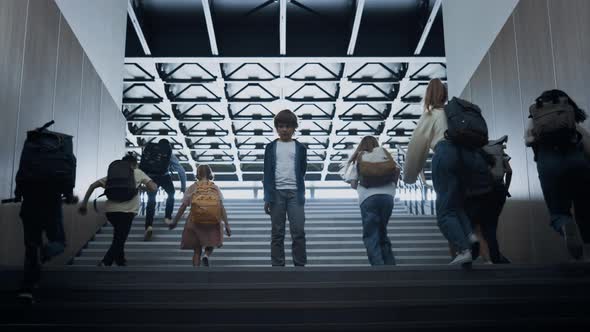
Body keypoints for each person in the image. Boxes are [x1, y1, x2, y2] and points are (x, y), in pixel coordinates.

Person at [403, 78, 480, 265]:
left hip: (444, 155)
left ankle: (463, 249)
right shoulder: (453, 114)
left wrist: (409, 176)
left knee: (444, 212)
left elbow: (416, 147)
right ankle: (470, 236)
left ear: (428, 96)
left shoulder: (431, 114)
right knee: (456, 204)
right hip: (465, 158)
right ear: (445, 95)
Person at [525, 89, 590, 260]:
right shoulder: (571, 120)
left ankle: (566, 225)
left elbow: (528, 140)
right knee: (585, 209)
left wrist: (539, 141)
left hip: (548, 163)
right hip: (576, 161)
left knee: (558, 211)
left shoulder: (535, 117)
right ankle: (588, 255)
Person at [78, 153, 157, 266]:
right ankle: (106, 262)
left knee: (119, 235)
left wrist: (84, 204)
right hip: (127, 213)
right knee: (120, 239)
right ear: (134, 164)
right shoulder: (137, 172)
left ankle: (121, 260)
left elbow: (92, 185)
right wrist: (152, 184)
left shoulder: (113, 176)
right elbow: (153, 188)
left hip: (111, 212)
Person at [341, 136, 398, 265]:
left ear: (362, 145)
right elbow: (395, 173)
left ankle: (378, 268)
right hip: (388, 197)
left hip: (368, 198)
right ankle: (391, 267)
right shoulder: (384, 154)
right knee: (382, 232)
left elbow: (354, 183)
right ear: (376, 143)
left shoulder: (361, 157)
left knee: (371, 235)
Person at [15, 184, 77, 302]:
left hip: (29, 203)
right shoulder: (61, 164)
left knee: (32, 245)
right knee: (59, 242)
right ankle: (44, 252)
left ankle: (27, 290)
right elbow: (68, 176)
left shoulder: (29, 164)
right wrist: (69, 196)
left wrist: (18, 194)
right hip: (52, 203)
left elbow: (21, 175)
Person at [263, 109, 308, 267]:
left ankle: (300, 265)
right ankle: (277, 267)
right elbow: (267, 173)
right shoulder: (270, 147)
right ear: (276, 128)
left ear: (294, 127)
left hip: (295, 193)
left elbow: (302, 170)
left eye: (287, 126)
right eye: (280, 126)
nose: (284, 129)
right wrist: (267, 197)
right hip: (276, 194)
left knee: (298, 232)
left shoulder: (301, 148)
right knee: (277, 233)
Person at [169, 164, 231, 267]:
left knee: (197, 250)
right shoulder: (214, 188)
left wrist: (175, 221)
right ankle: (206, 255)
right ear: (209, 173)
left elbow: (183, 206)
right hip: (213, 221)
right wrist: (227, 225)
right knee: (212, 242)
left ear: (197, 174)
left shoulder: (193, 187)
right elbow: (221, 207)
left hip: (195, 221)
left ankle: (196, 272)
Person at [464, 142, 513, 264]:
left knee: (475, 227)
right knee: (491, 228)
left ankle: (486, 257)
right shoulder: (498, 151)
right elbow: (509, 171)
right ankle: (495, 259)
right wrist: (506, 188)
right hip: (499, 191)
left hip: (481, 192)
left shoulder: (473, 153)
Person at [143, 139, 187, 241]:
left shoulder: (150, 152)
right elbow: (181, 171)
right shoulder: (169, 154)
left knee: (151, 200)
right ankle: (167, 217)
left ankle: (149, 225)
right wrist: (183, 187)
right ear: (168, 146)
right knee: (171, 194)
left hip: (150, 177)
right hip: (164, 177)